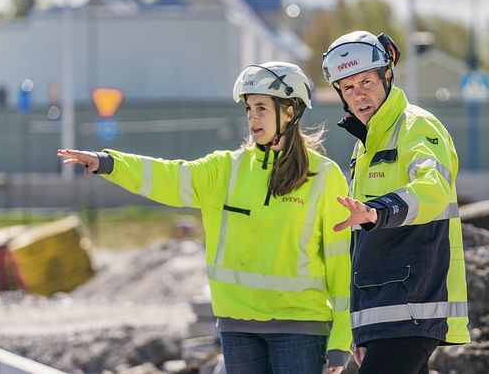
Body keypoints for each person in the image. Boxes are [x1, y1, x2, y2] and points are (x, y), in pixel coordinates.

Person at [58, 62, 351, 374]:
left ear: (290, 112)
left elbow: (340, 263)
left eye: (262, 108)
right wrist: (109, 163)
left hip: (301, 328)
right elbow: (168, 176)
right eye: (249, 107)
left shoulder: (324, 176)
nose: (252, 117)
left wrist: (342, 340)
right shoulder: (225, 170)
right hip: (237, 327)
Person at [321, 31, 470, 374]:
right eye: (348, 87)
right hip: (385, 313)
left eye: (366, 82)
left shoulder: (416, 126)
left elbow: (433, 188)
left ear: (387, 77)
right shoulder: (366, 147)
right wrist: (362, 329)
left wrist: (379, 210)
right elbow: (365, 246)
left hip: (413, 307)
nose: (358, 94)